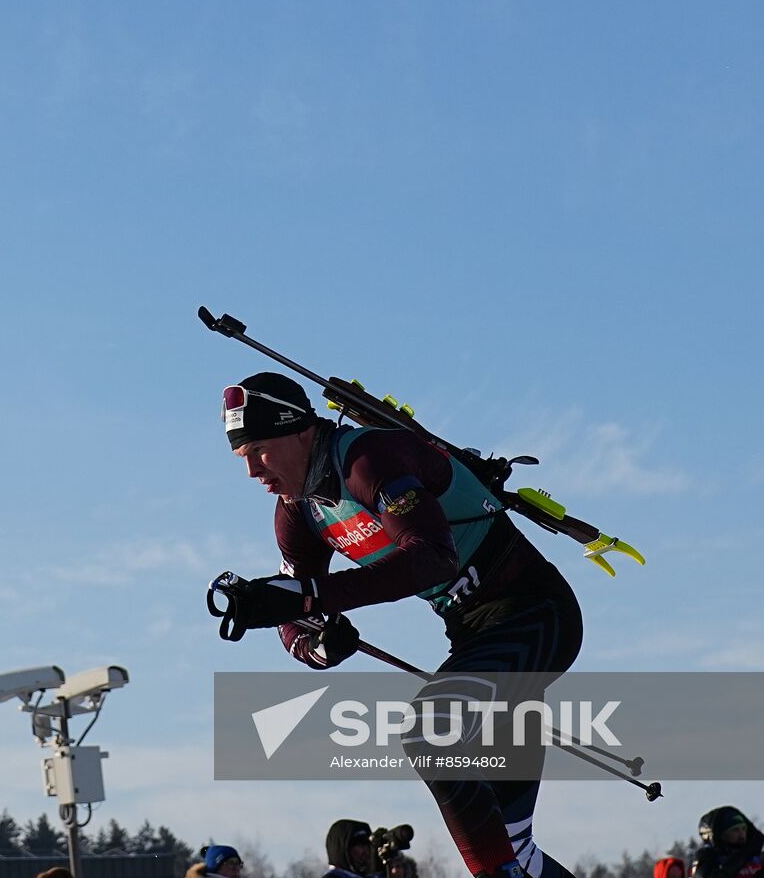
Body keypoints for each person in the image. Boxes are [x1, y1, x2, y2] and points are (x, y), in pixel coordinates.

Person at [215, 373, 585, 878]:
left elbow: (432, 557)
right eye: (243, 458)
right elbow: (296, 620)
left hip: (535, 614)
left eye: (259, 450)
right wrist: (321, 644)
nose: (255, 471)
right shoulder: (297, 515)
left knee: (429, 729)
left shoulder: (367, 461)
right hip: (474, 636)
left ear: (299, 430)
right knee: (517, 849)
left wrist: (314, 596)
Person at [691, 807, 764, 878]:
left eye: (744, 829)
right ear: (722, 834)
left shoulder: (755, 857)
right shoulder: (708, 856)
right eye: (735, 830)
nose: (741, 834)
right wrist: (738, 860)